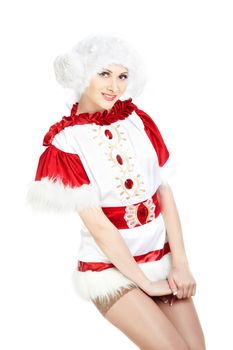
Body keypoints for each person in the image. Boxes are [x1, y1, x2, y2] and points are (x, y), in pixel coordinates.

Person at [26, 33, 206, 349]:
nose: (115, 86)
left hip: (159, 259)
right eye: (104, 74)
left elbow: (164, 192)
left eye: (122, 76)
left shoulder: (138, 121)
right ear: (83, 74)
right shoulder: (66, 143)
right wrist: (145, 284)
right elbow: (99, 227)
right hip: (109, 270)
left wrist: (180, 263)